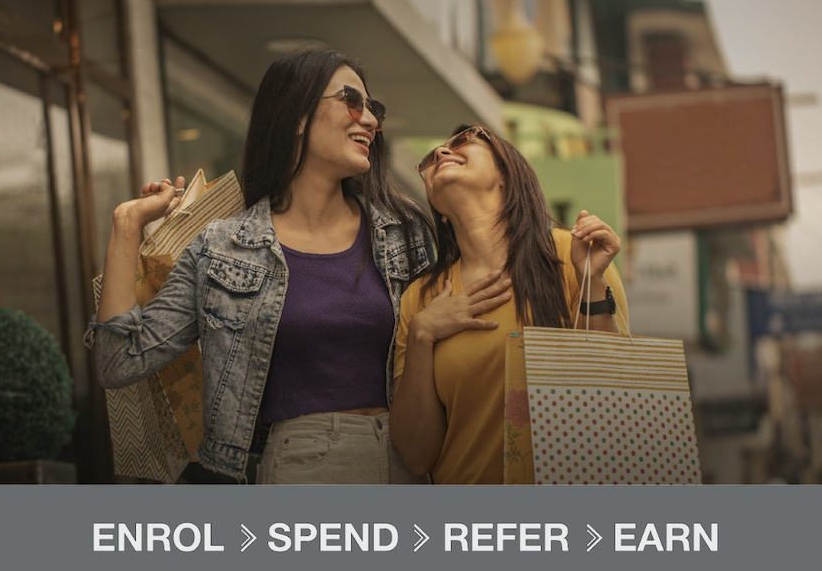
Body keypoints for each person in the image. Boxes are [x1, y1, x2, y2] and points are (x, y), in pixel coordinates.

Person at [85, 48, 433, 484]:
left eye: (373, 109)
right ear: (298, 115)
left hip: (409, 463)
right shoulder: (223, 248)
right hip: (303, 473)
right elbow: (119, 361)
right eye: (352, 100)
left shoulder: (404, 231)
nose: (370, 120)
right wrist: (126, 226)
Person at [389, 124, 629, 484]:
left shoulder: (572, 254)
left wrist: (592, 283)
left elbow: (615, 398)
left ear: (506, 174)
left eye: (464, 140)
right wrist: (422, 334)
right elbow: (416, 456)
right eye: (433, 154)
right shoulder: (421, 298)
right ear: (437, 209)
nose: (440, 153)